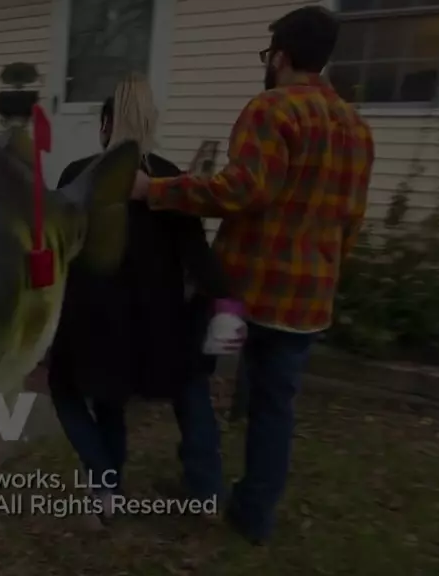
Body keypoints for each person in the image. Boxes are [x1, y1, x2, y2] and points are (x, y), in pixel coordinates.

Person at [130, 6, 374, 544]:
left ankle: (203, 485)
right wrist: (326, 272)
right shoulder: (356, 126)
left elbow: (243, 190)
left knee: (189, 373)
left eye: (268, 55)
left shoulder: (272, 108)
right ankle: (254, 516)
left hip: (245, 291)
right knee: (273, 408)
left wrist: (157, 192)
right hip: (307, 300)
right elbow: (351, 218)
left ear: (280, 57)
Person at [47, 73, 241, 527]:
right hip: (155, 323)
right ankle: (180, 490)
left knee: (72, 391)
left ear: (105, 126)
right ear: (152, 122)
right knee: (115, 396)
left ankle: (105, 484)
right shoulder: (171, 180)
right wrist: (227, 304)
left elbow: (57, 249)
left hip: (92, 319)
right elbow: (197, 254)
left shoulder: (78, 176)